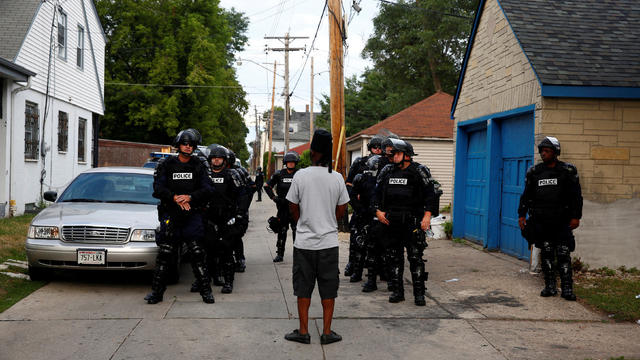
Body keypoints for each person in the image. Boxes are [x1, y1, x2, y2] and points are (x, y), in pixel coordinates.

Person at [284, 129, 350, 345]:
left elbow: (292, 206)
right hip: (329, 243)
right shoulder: (338, 177)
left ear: (312, 152)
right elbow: (342, 210)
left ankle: (303, 332)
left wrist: (302, 221)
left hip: (304, 243)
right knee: (328, 288)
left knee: (303, 288)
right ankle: (327, 332)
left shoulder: (301, 176)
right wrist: (328, 219)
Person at [145, 129, 215, 304]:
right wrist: (175, 197)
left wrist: (190, 197)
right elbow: (158, 189)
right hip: (172, 213)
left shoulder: (199, 165)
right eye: (185, 143)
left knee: (197, 253)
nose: (188, 147)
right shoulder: (166, 164)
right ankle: (157, 293)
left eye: (191, 144)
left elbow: (208, 189)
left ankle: (206, 292)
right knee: (165, 254)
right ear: (178, 145)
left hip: (192, 214)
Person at [518, 136, 582, 301]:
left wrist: (576, 217)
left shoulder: (568, 171)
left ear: (555, 152)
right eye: (542, 151)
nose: (544, 154)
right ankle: (550, 286)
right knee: (546, 252)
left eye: (547, 151)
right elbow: (526, 195)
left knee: (563, 253)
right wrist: (521, 215)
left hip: (562, 220)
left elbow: (576, 196)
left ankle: (567, 288)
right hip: (541, 221)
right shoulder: (534, 172)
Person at [374, 139, 436, 306]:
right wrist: (377, 211)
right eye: (391, 154)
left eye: (396, 153)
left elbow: (431, 194)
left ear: (406, 155)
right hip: (391, 222)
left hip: (412, 222)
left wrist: (427, 216)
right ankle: (397, 291)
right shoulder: (387, 171)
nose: (392, 157)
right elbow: (376, 193)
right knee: (394, 258)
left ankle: (419, 294)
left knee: (415, 258)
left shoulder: (419, 171)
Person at [201, 144, 246, 294]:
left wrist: (239, 214)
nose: (216, 161)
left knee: (227, 251)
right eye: (214, 158)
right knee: (208, 251)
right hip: (209, 218)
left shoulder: (231, 175)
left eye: (219, 158)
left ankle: (228, 282)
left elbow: (243, 195)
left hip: (227, 218)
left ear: (224, 160)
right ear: (210, 160)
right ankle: (209, 279)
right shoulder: (205, 176)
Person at [343, 135, 384, 278]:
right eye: (375, 147)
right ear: (370, 148)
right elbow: (348, 185)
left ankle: (379, 268)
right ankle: (352, 263)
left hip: (379, 209)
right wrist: (356, 203)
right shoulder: (360, 162)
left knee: (379, 240)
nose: (377, 150)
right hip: (361, 207)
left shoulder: (387, 164)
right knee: (356, 237)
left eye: (380, 147)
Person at [264, 151, 300, 262]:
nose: (290, 164)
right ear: (285, 163)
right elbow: (267, 186)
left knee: (296, 231)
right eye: (288, 162)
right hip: (283, 207)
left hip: (296, 208)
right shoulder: (279, 174)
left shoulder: (299, 174)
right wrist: (274, 198)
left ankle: (298, 255)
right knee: (282, 230)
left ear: (295, 163)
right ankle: (280, 254)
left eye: (293, 162)